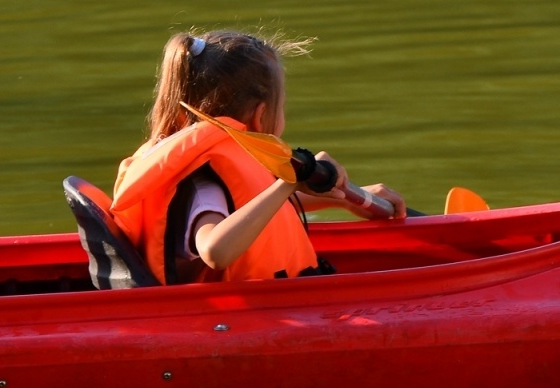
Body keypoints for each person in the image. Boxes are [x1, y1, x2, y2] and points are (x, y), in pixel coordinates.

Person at [111, 30, 406, 285]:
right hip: (232, 318)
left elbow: (253, 211)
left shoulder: (203, 162)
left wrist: (341, 198)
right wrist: (288, 182)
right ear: (260, 114)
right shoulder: (204, 183)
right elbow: (215, 250)